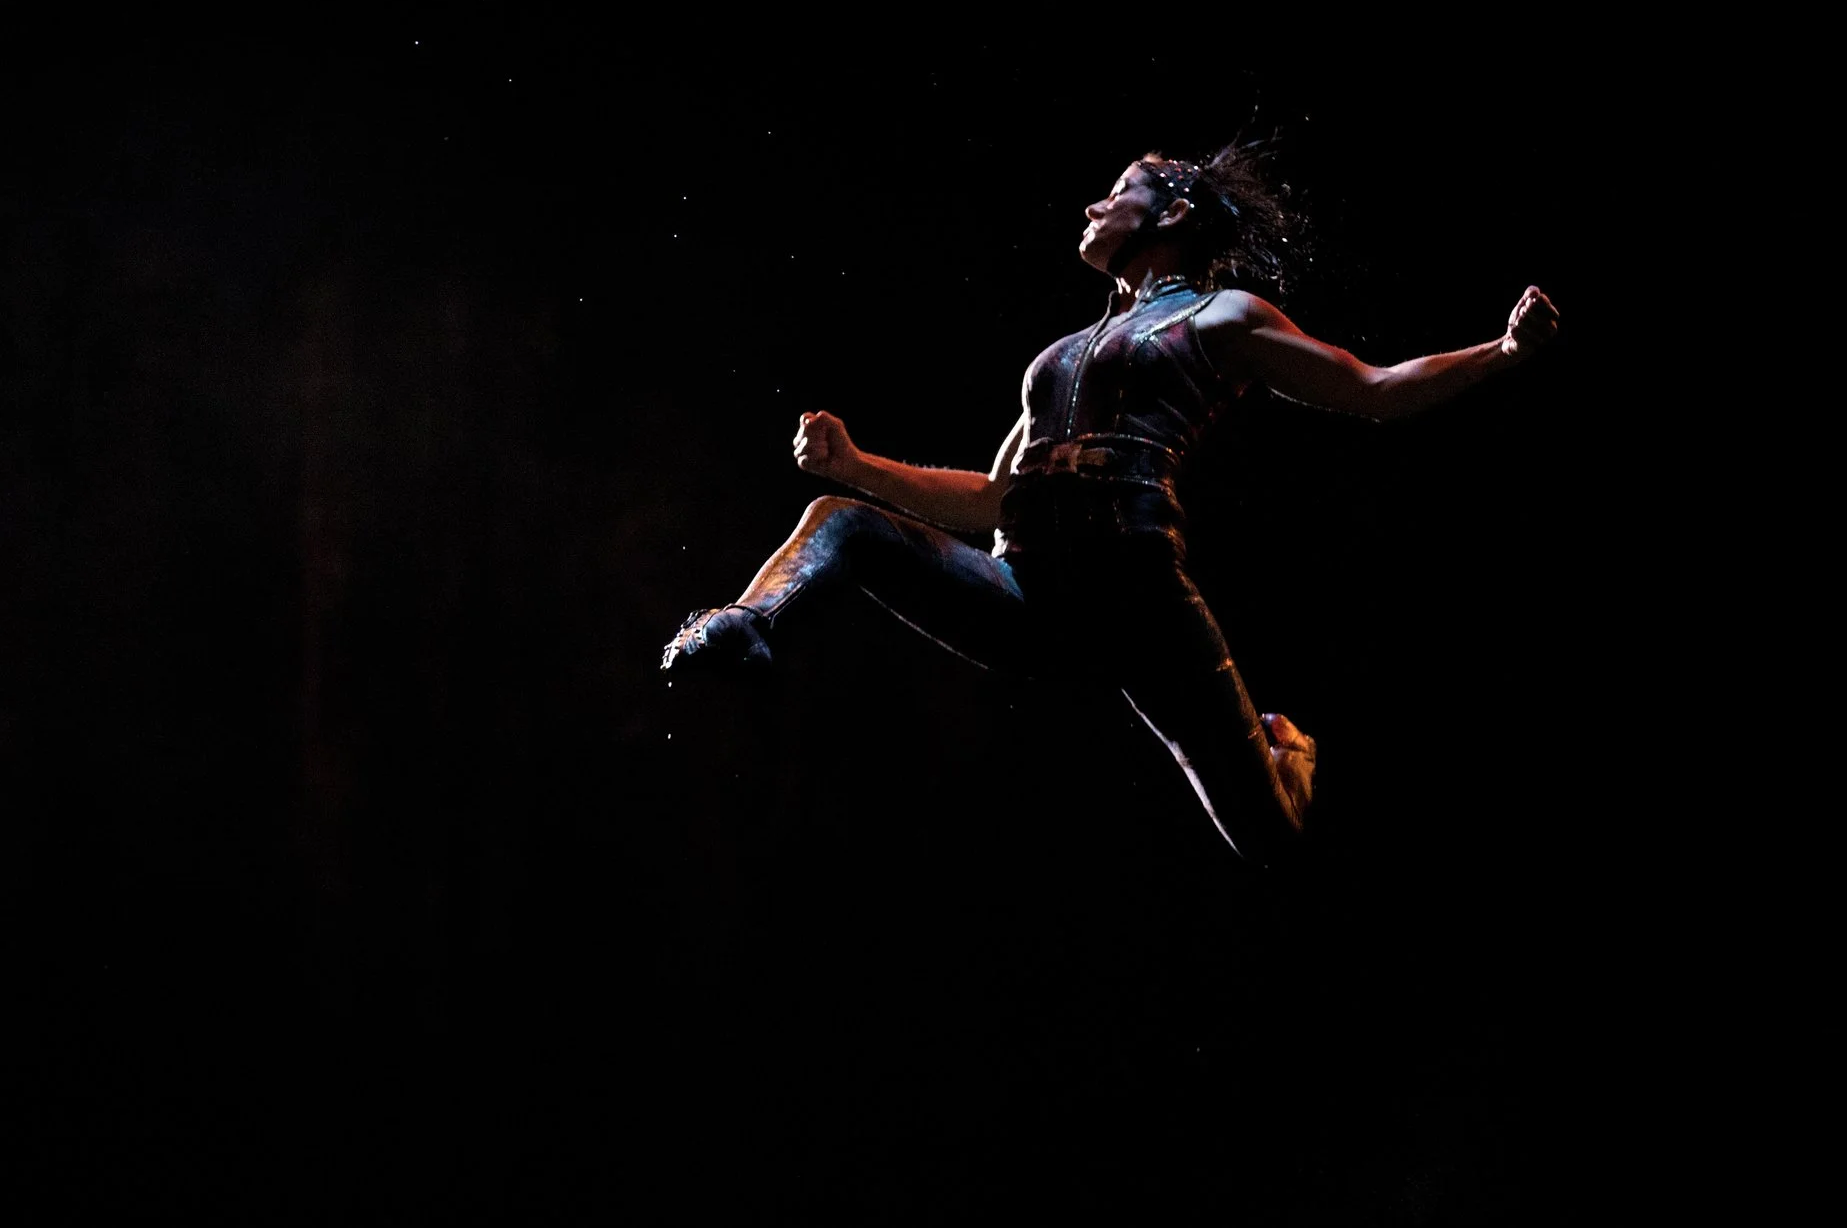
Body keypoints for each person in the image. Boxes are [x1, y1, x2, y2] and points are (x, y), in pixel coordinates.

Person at [660, 141, 1560, 865]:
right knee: (838, 521)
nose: (1093, 206)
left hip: (1136, 591)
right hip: (1029, 597)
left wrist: (1505, 352)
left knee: (1268, 837)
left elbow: (1371, 387)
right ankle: (747, 621)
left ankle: (1291, 747)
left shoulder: (1220, 318)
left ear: (1170, 214)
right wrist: (854, 464)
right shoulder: (1058, 357)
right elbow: (989, 498)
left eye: (1117, 190)